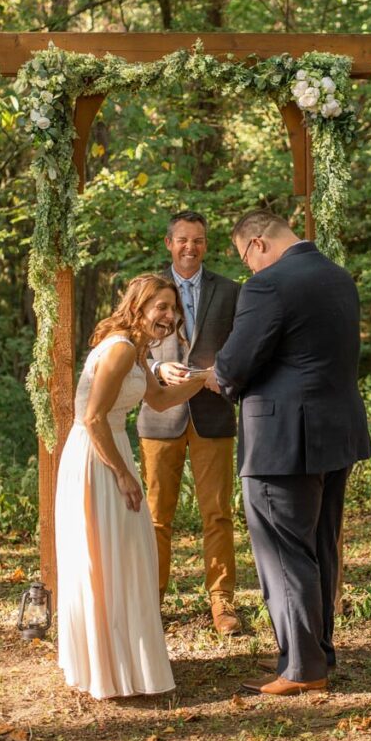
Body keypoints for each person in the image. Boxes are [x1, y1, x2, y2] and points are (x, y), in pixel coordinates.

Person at [208, 210, 371, 696]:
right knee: (320, 545)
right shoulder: (338, 277)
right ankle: (319, 652)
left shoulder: (269, 286)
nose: (249, 271)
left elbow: (236, 363)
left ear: (258, 244)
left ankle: (302, 669)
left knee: (283, 551)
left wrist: (214, 376)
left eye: (245, 259)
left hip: (281, 440)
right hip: (335, 434)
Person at [55, 274, 207, 700]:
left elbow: (159, 400)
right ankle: (109, 668)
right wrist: (122, 473)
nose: (169, 316)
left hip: (112, 447)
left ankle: (122, 664)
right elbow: (92, 418)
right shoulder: (121, 348)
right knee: (109, 556)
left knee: (122, 556)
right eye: (160, 307)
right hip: (97, 456)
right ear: (138, 306)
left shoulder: (137, 350)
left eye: (172, 308)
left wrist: (210, 378)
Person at [137, 211, 242, 635]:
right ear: (169, 243)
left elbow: (242, 343)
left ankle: (222, 603)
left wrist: (226, 371)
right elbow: (130, 342)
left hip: (212, 411)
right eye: (182, 240)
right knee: (157, 516)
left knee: (217, 514)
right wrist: (157, 371)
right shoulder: (149, 290)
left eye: (198, 240)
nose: (190, 247)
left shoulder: (231, 291)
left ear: (206, 244)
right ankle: (151, 599)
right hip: (160, 413)